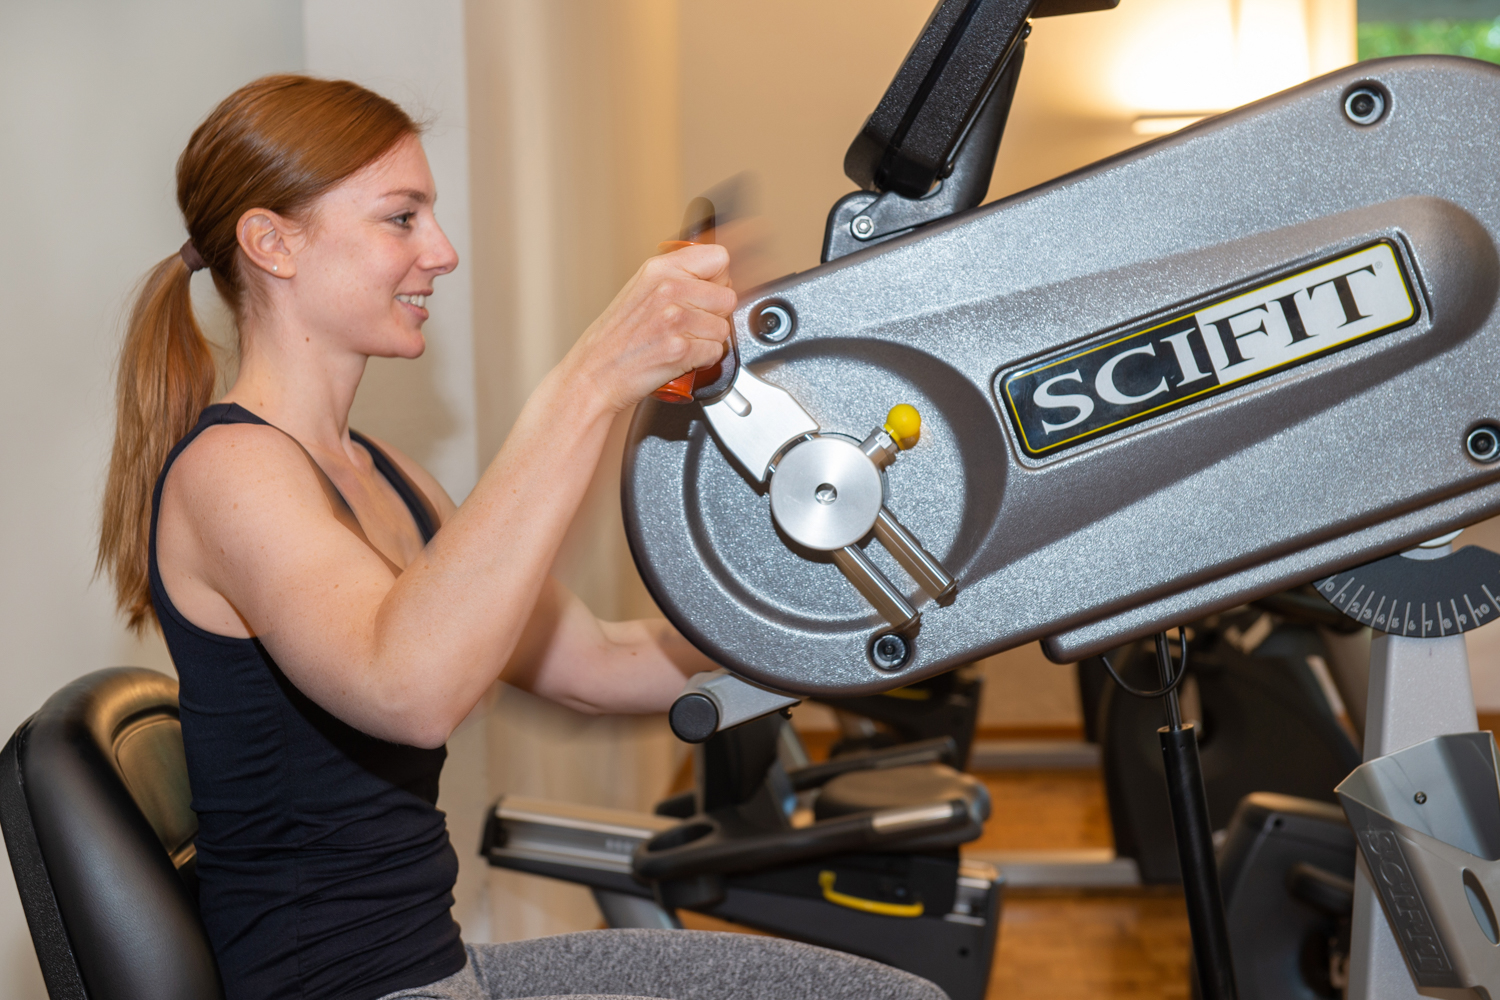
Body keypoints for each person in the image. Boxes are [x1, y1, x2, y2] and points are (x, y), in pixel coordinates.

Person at [96, 75, 945, 1000]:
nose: (443, 251)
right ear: (272, 243)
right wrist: (590, 380)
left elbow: (598, 665)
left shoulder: (390, 477)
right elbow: (408, 689)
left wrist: (869, 619)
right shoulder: (232, 472)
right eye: (401, 218)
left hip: (440, 969)